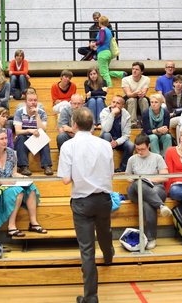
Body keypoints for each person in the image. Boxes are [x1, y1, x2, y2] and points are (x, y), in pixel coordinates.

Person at [58, 107, 114, 303]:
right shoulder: (106, 145)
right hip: (104, 198)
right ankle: (109, 256)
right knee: (105, 231)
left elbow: (65, 180)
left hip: (82, 201)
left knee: (87, 250)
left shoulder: (68, 146)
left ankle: (91, 297)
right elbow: (111, 174)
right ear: (93, 125)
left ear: (74, 125)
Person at [0, 128, 46, 238]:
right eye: (2, 139)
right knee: (17, 191)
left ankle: (33, 223)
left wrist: (23, 178)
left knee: (31, 188)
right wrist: (2, 182)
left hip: (9, 183)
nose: (5, 141)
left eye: (6, 138)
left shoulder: (11, 153)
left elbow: (14, 173)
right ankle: (11, 226)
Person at [125, 133, 172, 250]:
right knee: (138, 183)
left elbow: (165, 177)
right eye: (137, 149)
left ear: (149, 146)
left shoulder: (157, 157)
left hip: (154, 188)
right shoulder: (132, 159)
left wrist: (148, 179)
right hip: (136, 189)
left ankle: (151, 238)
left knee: (147, 202)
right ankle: (161, 206)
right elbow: (127, 176)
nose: (140, 152)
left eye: (143, 149)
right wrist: (135, 179)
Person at [13, 91, 53, 176]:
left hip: (36, 139)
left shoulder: (41, 112)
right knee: (20, 137)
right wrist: (29, 130)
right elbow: (17, 131)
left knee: (43, 137)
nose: (33, 103)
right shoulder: (19, 112)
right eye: (30, 100)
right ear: (25, 102)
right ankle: (24, 167)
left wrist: (37, 115)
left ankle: (47, 166)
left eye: (35, 100)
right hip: (23, 140)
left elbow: (43, 130)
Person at [99, 95, 134, 173]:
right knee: (107, 135)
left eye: (118, 103)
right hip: (106, 139)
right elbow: (106, 129)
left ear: (122, 106)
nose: (114, 105)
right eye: (113, 102)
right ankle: (106, 167)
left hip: (119, 140)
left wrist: (117, 142)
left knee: (130, 145)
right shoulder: (104, 111)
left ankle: (123, 169)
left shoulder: (126, 115)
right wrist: (112, 114)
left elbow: (126, 135)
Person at [93, 15, 124, 87]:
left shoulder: (102, 30)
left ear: (100, 23)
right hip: (108, 52)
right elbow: (105, 42)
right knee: (104, 71)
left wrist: (94, 44)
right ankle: (121, 74)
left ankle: (110, 88)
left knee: (104, 74)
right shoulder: (109, 31)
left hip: (102, 53)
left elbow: (101, 41)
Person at [122, 61, 150, 129]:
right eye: (133, 69)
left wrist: (141, 93)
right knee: (132, 100)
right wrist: (137, 93)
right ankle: (132, 123)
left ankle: (146, 122)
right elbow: (128, 94)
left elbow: (143, 92)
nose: (134, 71)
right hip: (128, 99)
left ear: (141, 72)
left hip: (140, 98)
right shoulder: (125, 79)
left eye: (137, 69)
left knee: (144, 100)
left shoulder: (146, 79)